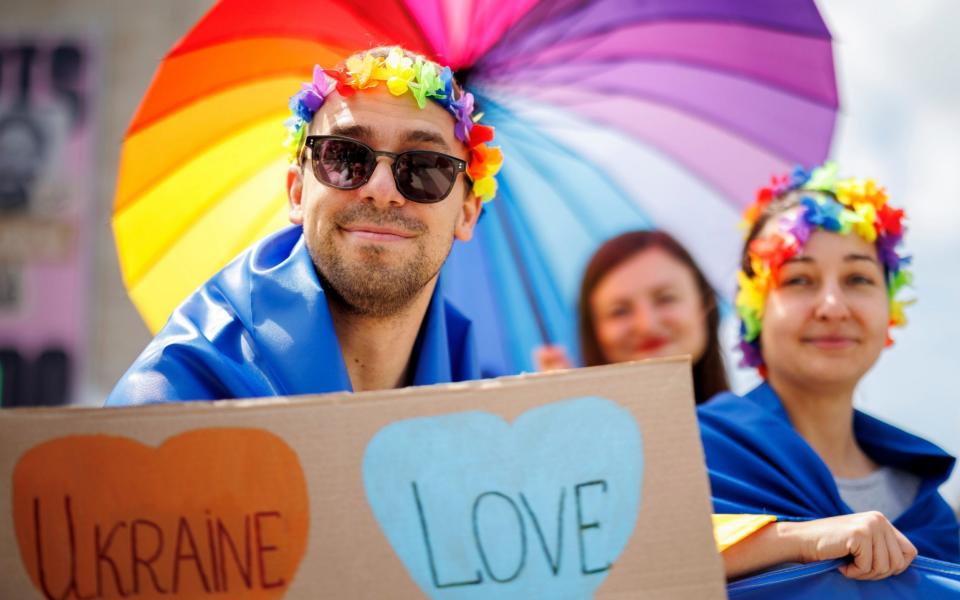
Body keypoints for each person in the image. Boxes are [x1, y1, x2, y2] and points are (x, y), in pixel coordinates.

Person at [107, 47, 503, 404]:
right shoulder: (173, 405)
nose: (381, 190)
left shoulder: (488, 413)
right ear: (297, 193)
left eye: (424, 168)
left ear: (467, 212)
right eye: (345, 157)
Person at [700, 163, 959, 578]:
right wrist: (797, 542)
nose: (833, 307)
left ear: (888, 309)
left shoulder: (928, 510)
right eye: (800, 280)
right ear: (754, 311)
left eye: (858, 278)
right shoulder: (697, 454)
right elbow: (632, 571)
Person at [535, 230, 728, 403]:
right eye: (620, 311)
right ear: (594, 330)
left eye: (665, 298)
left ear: (703, 303)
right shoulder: (572, 437)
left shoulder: (753, 429)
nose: (647, 325)